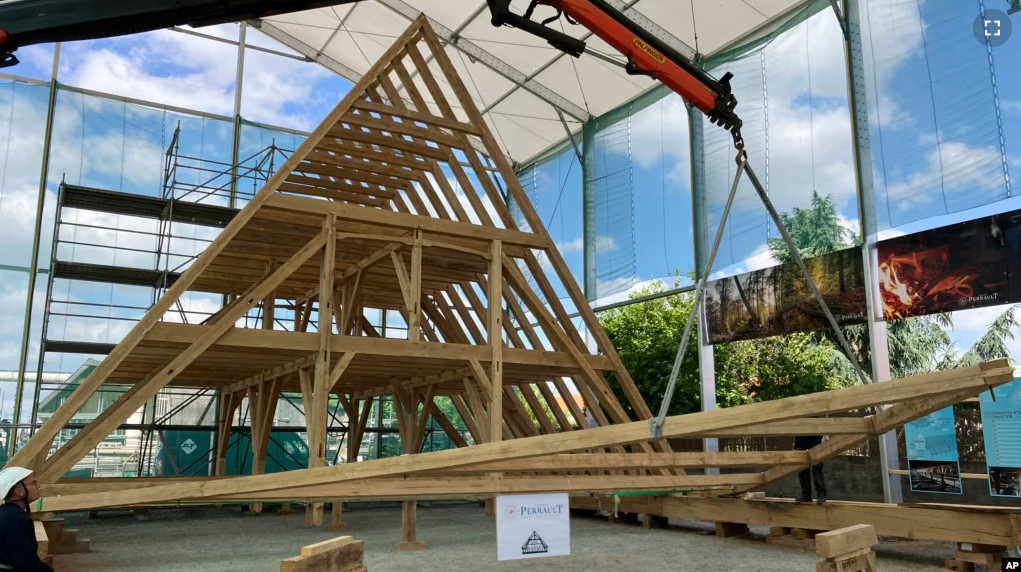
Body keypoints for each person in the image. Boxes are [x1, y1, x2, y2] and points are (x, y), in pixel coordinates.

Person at [0, 466, 54, 571]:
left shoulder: (5, 513)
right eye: (33, 483)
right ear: (19, 491)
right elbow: (27, 564)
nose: (38, 485)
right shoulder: (18, 520)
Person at [793, 435, 827, 503]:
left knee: (816, 470)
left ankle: (821, 495)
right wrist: (796, 445)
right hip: (801, 443)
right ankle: (806, 495)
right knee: (802, 472)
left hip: (815, 444)